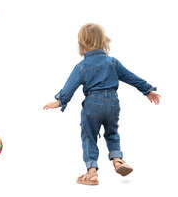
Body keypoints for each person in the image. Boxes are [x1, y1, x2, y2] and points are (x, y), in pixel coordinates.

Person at [43, 23, 161, 185]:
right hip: (113, 103)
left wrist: (59, 101)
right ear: (103, 41)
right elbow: (131, 77)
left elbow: (70, 86)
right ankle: (118, 160)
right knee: (112, 132)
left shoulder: (82, 66)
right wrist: (147, 90)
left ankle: (92, 172)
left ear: (82, 43)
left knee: (89, 136)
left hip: (92, 103)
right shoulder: (112, 62)